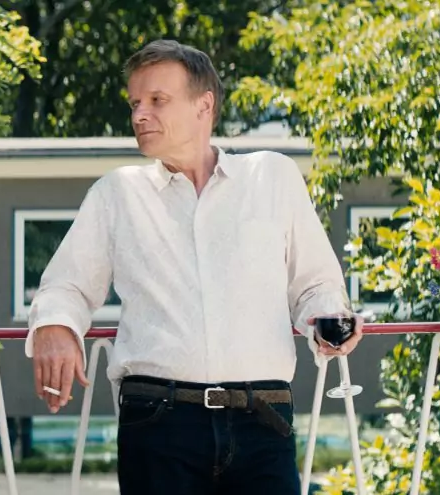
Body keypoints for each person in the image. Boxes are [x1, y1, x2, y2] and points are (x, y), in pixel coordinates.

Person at [25, 39, 364, 494]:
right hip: (159, 422)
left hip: (263, 419)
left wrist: (328, 317)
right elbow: (65, 286)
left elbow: (315, 285)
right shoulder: (116, 193)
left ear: (204, 105)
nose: (140, 115)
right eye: (135, 103)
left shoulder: (272, 176)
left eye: (157, 100)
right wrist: (55, 325)